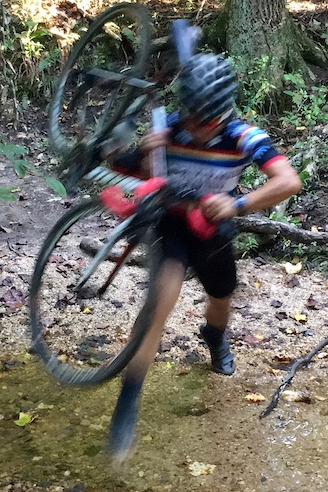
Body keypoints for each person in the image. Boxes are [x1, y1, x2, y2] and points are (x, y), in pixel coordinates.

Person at [106, 53, 302, 465]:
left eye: (206, 121)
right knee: (159, 305)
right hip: (172, 226)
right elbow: (138, 174)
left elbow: (288, 181)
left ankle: (214, 337)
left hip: (212, 229)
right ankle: (128, 400)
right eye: (192, 118)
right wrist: (143, 154)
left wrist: (238, 204)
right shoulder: (168, 127)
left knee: (221, 297)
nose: (196, 129)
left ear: (222, 113)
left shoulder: (242, 136)